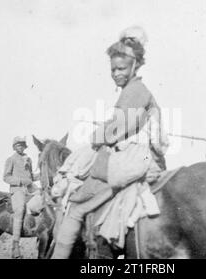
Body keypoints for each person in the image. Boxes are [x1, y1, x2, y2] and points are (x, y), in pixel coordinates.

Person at [52, 26, 168, 259]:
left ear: (135, 66)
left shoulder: (135, 91)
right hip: (142, 157)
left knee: (76, 206)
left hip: (134, 159)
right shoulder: (138, 92)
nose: (116, 73)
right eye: (113, 69)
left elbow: (117, 128)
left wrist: (97, 135)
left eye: (121, 68)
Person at [3, 136, 39, 258]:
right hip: (17, 190)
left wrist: (43, 174)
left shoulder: (28, 159)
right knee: (20, 209)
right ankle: (15, 246)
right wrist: (20, 181)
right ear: (14, 147)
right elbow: (6, 177)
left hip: (30, 188)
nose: (20, 147)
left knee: (45, 200)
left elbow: (32, 177)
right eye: (18, 145)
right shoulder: (11, 159)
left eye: (22, 145)